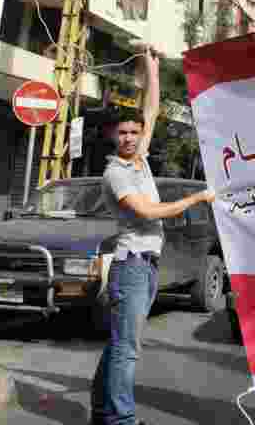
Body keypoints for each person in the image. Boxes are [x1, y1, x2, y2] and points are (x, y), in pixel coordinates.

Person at [89, 44, 216, 425]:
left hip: (146, 266)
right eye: (123, 133)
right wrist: (197, 196)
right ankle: (121, 420)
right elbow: (147, 212)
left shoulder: (140, 159)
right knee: (127, 349)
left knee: (120, 344)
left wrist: (152, 69)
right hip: (130, 267)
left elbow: (151, 109)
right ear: (114, 136)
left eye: (134, 132)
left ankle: (101, 411)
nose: (129, 137)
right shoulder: (116, 173)